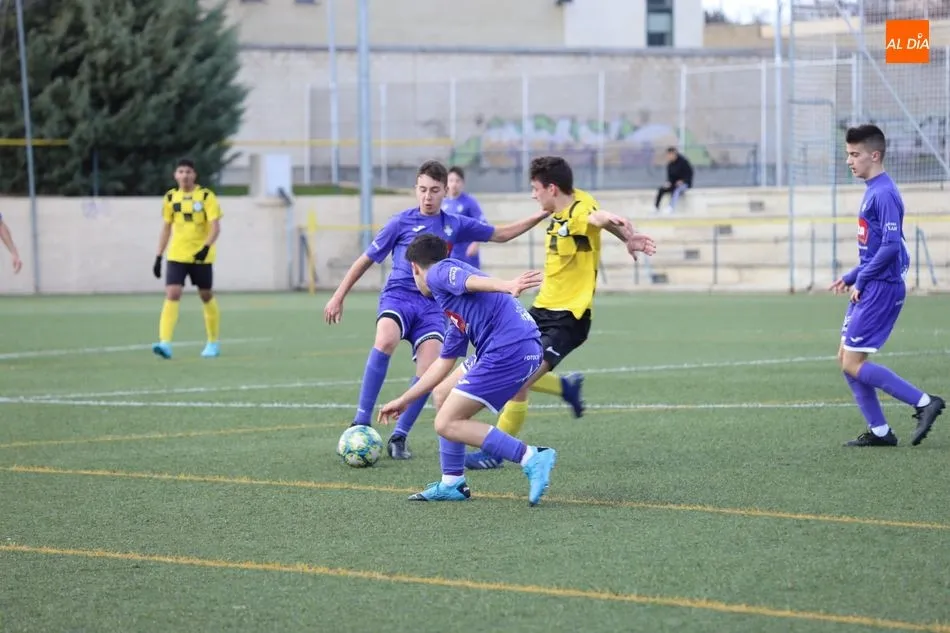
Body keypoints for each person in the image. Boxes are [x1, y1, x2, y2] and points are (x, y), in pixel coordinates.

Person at [323, 159, 558, 461]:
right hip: (399, 298)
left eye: (434, 190)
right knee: (385, 339)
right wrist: (339, 295)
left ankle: (400, 435)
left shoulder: (454, 226)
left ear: (446, 191)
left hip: (436, 306)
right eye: (422, 189)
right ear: (415, 190)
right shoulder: (399, 222)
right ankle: (361, 420)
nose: (427, 196)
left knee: (430, 370)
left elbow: (499, 235)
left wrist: (541, 214)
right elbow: (366, 258)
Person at [465, 156, 657, 470]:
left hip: (568, 318)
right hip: (541, 308)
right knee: (512, 368)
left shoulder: (580, 209)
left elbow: (596, 219)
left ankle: (496, 452)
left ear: (552, 188)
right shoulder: (563, 207)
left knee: (517, 379)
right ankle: (566, 387)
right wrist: (625, 236)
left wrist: (624, 231)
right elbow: (598, 221)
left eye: (535, 189)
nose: (533, 195)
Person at [378, 233, 557, 505]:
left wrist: (507, 285)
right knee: (442, 393)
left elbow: (468, 280)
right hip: (513, 346)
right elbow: (443, 364)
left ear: (415, 268)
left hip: (509, 348)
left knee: (446, 423)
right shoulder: (454, 304)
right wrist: (405, 400)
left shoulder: (438, 272)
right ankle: (453, 483)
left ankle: (531, 456)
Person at [830, 124, 944, 447]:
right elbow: (877, 247)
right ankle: (880, 432)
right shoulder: (873, 190)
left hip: (881, 287)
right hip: (870, 283)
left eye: (855, 154)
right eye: (848, 154)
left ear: (875, 155)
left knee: (853, 362)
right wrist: (852, 276)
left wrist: (863, 278)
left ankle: (924, 402)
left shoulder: (883, 193)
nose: (849, 161)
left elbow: (892, 246)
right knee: (845, 359)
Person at [151, 159, 223, 360]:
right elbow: (166, 228)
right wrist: (158, 256)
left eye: (188, 171)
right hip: (177, 254)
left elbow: (215, 227)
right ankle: (165, 343)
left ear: (194, 175)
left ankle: (213, 342)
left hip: (201, 256)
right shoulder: (170, 197)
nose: (184, 175)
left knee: (205, 295)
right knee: (173, 293)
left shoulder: (206, 196)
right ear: (175, 175)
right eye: (181, 171)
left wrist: (206, 247)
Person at [441, 166, 486, 268]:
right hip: (449, 253)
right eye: (451, 180)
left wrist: (475, 243)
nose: (454, 184)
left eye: (457, 181)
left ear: (463, 183)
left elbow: (482, 223)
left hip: (466, 253)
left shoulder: (470, 202)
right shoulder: (443, 203)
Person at [654, 147, 693, 215]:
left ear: (674, 154)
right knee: (661, 189)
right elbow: (670, 177)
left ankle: (671, 207)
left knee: (676, 190)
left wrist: (683, 181)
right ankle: (656, 207)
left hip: (685, 183)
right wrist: (668, 182)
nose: (669, 157)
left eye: (670, 155)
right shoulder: (670, 165)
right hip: (673, 183)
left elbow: (689, 173)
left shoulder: (683, 162)